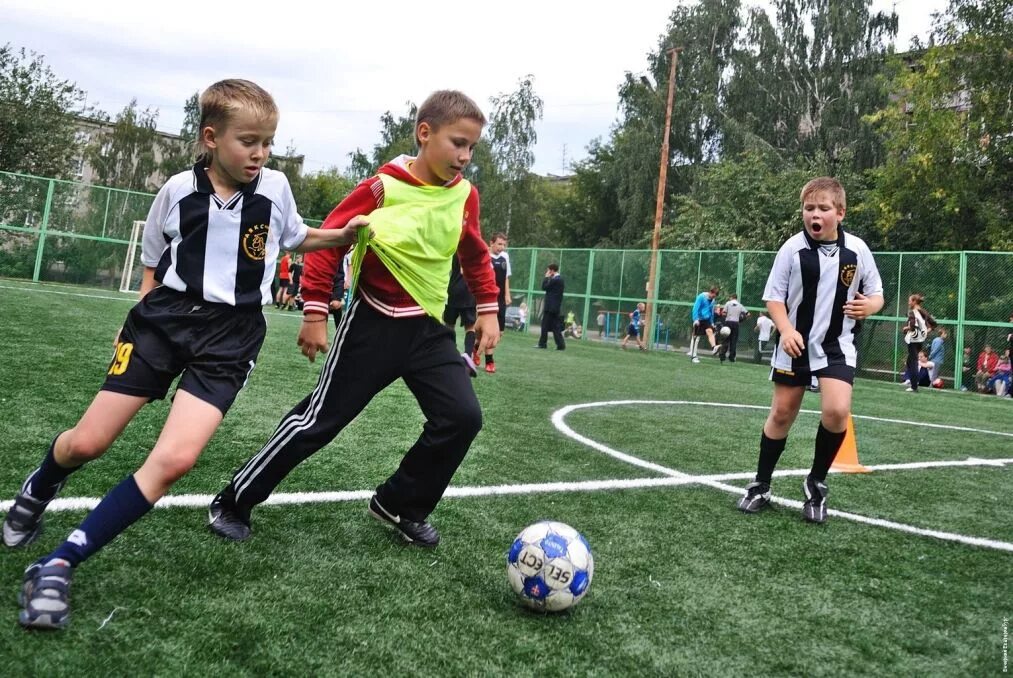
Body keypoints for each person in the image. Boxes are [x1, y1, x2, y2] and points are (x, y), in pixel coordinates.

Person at [2, 79, 363, 630]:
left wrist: (341, 235)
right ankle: (43, 482)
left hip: (234, 335)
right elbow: (152, 261)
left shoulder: (276, 188)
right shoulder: (175, 190)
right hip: (163, 322)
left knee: (175, 461)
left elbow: (294, 238)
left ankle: (57, 564)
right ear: (211, 138)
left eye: (268, 142)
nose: (260, 153)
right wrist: (138, 330)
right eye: (249, 141)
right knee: (89, 442)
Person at [206, 90, 500, 549]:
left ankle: (400, 503)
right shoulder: (382, 187)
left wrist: (487, 309)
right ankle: (234, 500)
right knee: (319, 422)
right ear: (425, 134)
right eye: (457, 142)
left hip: (428, 328)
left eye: (472, 148)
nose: (464, 156)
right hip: (373, 324)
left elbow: (475, 254)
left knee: (462, 417)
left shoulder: (465, 196)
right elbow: (330, 242)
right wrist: (315, 311)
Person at [737, 176, 883, 524]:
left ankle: (816, 484)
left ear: (840, 212)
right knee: (782, 414)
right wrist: (785, 329)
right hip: (795, 344)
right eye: (808, 208)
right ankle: (761, 484)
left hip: (836, 346)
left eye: (823, 208)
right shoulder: (791, 249)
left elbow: (876, 293)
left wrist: (870, 307)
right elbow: (774, 297)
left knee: (836, 412)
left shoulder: (857, 251)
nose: (814, 214)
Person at [443, 255, 479, 377]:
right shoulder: (471, 248)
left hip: (452, 290)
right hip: (468, 291)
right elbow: (465, 270)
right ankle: (468, 356)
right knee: (470, 327)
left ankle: (450, 353)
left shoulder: (453, 247)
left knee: (449, 324)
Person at [482, 232, 511, 373]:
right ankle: (489, 361)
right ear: (491, 243)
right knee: (489, 329)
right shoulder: (485, 256)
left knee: (499, 332)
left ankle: (476, 349)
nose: (502, 247)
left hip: (500, 299)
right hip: (488, 297)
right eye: (499, 244)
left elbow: (506, 278)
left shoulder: (505, 257)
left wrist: (507, 294)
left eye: (504, 245)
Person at [900, 293, 934, 392]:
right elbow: (933, 323)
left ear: (914, 302)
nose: (908, 303)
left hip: (913, 339)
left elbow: (912, 326)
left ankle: (914, 386)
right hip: (920, 339)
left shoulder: (913, 312)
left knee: (913, 361)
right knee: (910, 361)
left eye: (910, 301)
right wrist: (925, 332)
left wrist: (906, 328)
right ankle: (911, 381)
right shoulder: (923, 312)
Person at [688, 286, 721, 364]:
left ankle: (714, 347)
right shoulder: (701, 297)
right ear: (710, 292)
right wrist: (695, 319)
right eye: (713, 295)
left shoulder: (713, 301)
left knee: (710, 331)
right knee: (696, 337)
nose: (713, 297)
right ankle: (693, 356)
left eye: (715, 297)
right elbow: (695, 308)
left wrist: (712, 322)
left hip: (706, 320)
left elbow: (711, 312)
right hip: (699, 319)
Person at [537, 263, 565, 350]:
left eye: (548, 270)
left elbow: (544, 287)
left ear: (552, 270)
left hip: (551, 308)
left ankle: (542, 344)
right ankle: (560, 345)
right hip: (553, 307)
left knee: (545, 325)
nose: (547, 272)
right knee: (555, 327)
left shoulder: (556, 280)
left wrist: (546, 277)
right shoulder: (557, 279)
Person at [721, 293, 749, 362]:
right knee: (733, 341)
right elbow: (748, 314)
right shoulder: (740, 305)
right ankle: (732, 357)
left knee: (726, 340)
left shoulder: (728, 303)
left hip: (728, 322)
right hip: (736, 323)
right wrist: (741, 319)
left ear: (731, 297)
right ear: (736, 298)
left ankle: (722, 355)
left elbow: (724, 313)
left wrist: (726, 316)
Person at [329, 250, 351, 331]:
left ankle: (339, 329)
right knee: (331, 305)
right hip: (328, 279)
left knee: (336, 304)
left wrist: (348, 280)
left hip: (340, 280)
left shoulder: (347, 250)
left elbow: (350, 265)